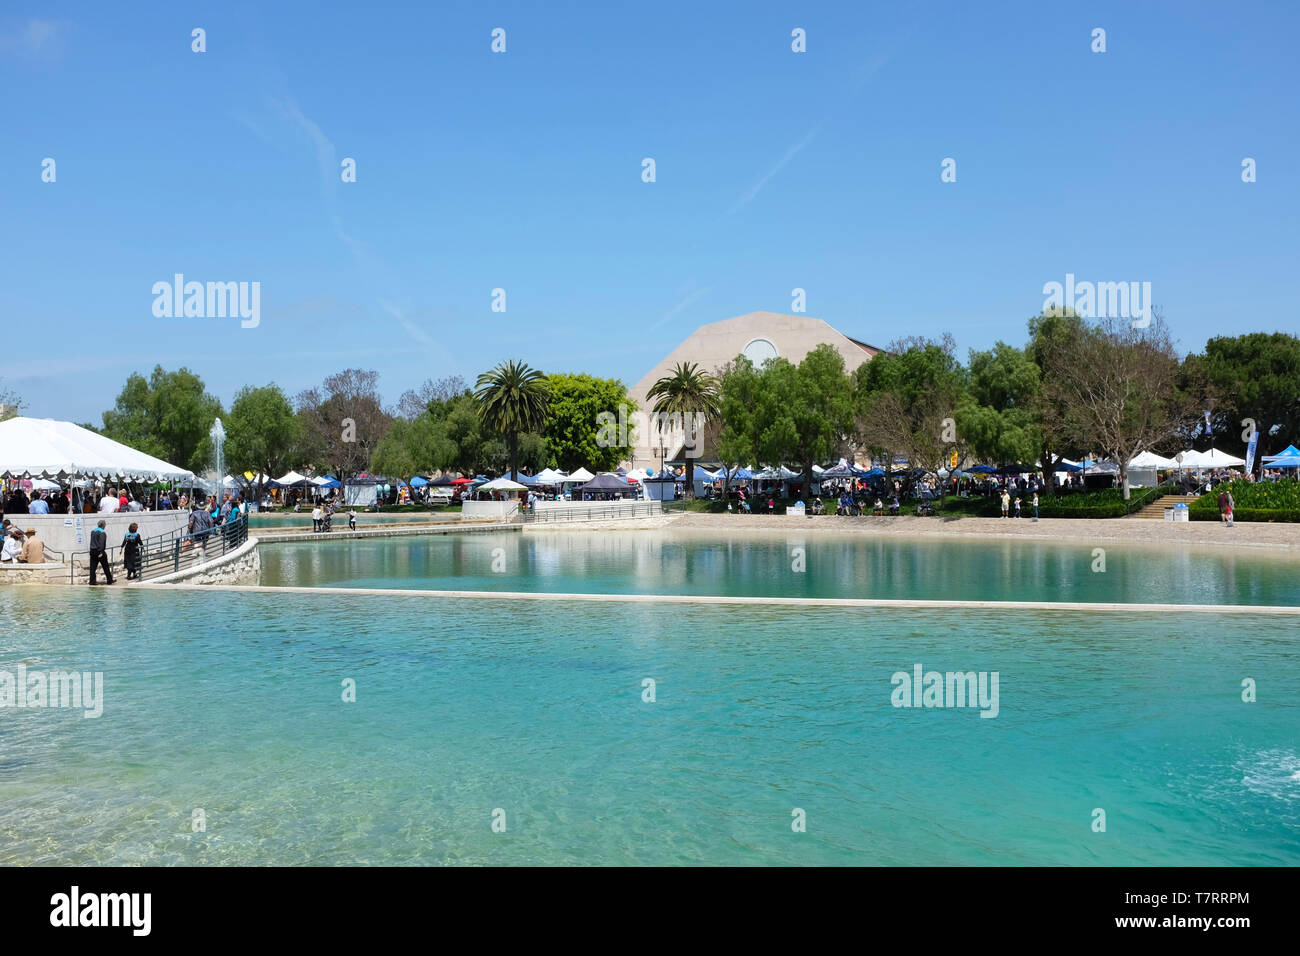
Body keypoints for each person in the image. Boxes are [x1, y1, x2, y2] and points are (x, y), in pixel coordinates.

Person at [88, 519, 114, 585]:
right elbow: (102, 543)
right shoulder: (102, 532)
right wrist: (101, 552)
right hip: (99, 551)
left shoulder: (93, 531)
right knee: (105, 566)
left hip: (92, 551)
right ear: (103, 525)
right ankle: (109, 580)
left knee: (92, 568)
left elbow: (92, 541)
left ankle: (92, 581)